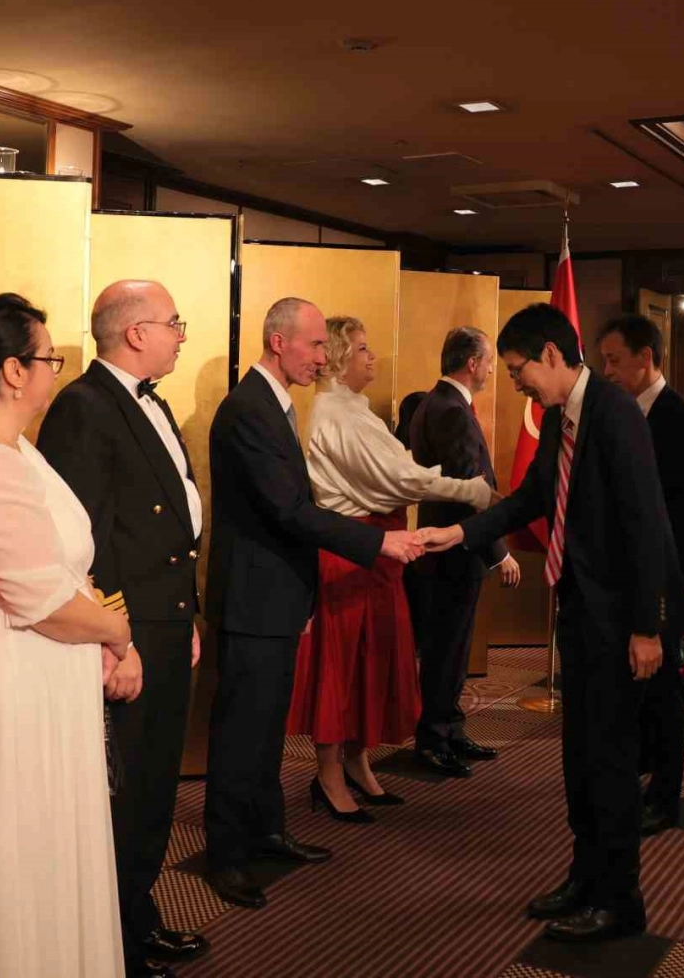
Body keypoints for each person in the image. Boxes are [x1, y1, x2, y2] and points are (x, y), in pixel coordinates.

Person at [419, 303, 684, 945]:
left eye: (518, 370)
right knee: (581, 759)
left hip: (621, 623)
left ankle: (619, 902)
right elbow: (531, 500)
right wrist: (461, 533)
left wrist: (647, 627)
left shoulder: (615, 413)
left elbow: (647, 523)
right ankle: (584, 878)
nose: (515, 383)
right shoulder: (563, 416)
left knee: (611, 763)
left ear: (549, 354)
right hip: (583, 615)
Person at [0, 293, 130, 978]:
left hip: (34, 675)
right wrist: (117, 631)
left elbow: (57, 573)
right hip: (7, 681)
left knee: (39, 848)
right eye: (48, 359)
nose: (54, 371)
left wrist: (99, 629)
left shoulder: (10, 449)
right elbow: (43, 602)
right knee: (15, 851)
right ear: (13, 371)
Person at [202, 297, 423, 911]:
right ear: (279, 342)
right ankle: (228, 855)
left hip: (276, 594)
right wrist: (377, 542)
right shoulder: (248, 408)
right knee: (241, 733)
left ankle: (266, 832)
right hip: (253, 599)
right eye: (316, 344)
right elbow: (288, 510)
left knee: (266, 729)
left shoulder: (274, 404)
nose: (324, 358)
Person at [37, 281, 207, 978]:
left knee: (155, 786)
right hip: (126, 628)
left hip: (165, 619)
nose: (181, 335)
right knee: (126, 792)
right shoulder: (84, 407)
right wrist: (119, 639)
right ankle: (115, 943)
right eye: (174, 323)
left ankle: (137, 915)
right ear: (136, 333)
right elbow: (85, 540)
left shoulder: (149, 400)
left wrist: (186, 613)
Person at [288, 317, 491, 820]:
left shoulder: (354, 411)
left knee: (369, 664)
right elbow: (398, 479)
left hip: (377, 553)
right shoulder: (336, 414)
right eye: (361, 348)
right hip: (352, 554)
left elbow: (399, 472)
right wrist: (472, 490)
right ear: (339, 358)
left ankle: (356, 762)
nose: (372, 356)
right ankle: (329, 775)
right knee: (341, 669)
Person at [598, 314, 684, 836]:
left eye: (614, 360)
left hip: (664, 577)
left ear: (646, 357)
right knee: (631, 686)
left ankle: (665, 796)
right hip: (622, 576)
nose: (606, 371)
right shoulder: (614, 412)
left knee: (664, 692)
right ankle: (637, 771)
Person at [409, 327, 521, 777]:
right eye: (490, 360)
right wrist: (499, 552)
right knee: (446, 650)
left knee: (452, 648)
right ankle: (433, 740)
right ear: (472, 363)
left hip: (450, 551)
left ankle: (451, 730)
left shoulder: (435, 403)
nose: (493, 369)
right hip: (453, 551)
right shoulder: (451, 411)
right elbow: (470, 492)